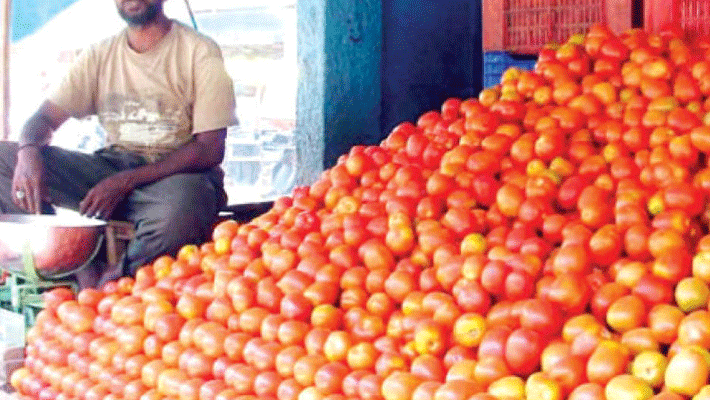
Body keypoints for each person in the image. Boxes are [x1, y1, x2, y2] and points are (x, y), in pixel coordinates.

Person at [0, 0, 237, 287]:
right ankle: (68, 265)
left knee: (185, 206)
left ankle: (119, 280)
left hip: (176, 176)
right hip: (111, 167)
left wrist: (126, 181)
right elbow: (43, 118)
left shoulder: (199, 51)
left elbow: (210, 149)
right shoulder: (100, 54)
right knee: (4, 158)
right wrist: (28, 153)